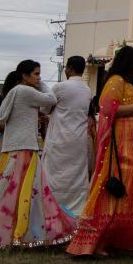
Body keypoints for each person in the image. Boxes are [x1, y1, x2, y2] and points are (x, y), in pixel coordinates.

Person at [0, 60, 76, 248]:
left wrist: (36, 82)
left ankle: (4, 232)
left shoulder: (14, 92)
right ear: (24, 76)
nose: (39, 77)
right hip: (24, 147)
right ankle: (18, 233)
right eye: (36, 74)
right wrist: (41, 84)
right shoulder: (25, 91)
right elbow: (51, 99)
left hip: (13, 148)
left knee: (6, 191)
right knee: (26, 191)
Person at [66, 46, 133, 257]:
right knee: (114, 187)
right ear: (129, 62)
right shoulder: (115, 81)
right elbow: (106, 110)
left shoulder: (127, 84)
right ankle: (96, 243)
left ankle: (122, 241)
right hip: (118, 146)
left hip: (131, 144)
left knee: (130, 189)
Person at [43, 56, 92, 217]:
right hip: (78, 139)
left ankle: (52, 207)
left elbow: (44, 108)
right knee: (76, 175)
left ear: (69, 68)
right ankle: (76, 210)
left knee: (54, 174)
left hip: (60, 137)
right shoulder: (87, 90)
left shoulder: (61, 87)